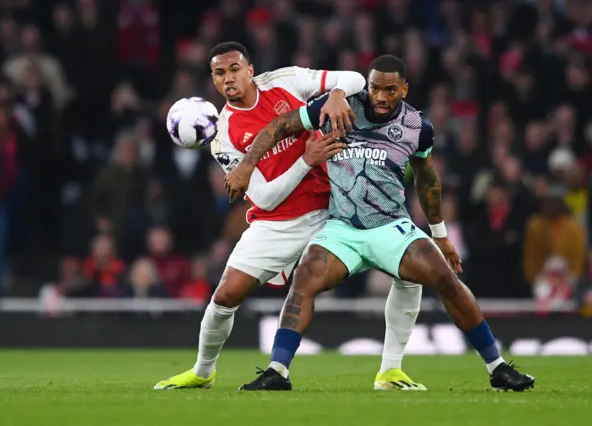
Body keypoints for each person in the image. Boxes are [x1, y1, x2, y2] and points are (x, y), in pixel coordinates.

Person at [227, 55, 535, 392]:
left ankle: (497, 367)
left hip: (390, 226)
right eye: (375, 88)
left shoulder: (418, 126)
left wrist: (441, 236)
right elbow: (279, 126)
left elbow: (427, 179)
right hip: (342, 227)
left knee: (445, 278)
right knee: (305, 277)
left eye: (391, 90)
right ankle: (277, 371)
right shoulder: (334, 109)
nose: (382, 97)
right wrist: (246, 165)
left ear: (404, 88)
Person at [155, 43, 426, 391]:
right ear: (213, 80)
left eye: (234, 69)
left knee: (408, 267)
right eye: (220, 74)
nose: (229, 79)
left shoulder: (286, 81)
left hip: (335, 207)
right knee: (225, 296)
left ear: (249, 70)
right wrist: (306, 160)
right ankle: (203, 371)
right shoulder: (223, 136)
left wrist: (337, 93)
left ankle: (390, 370)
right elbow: (266, 197)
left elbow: (357, 78)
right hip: (277, 221)